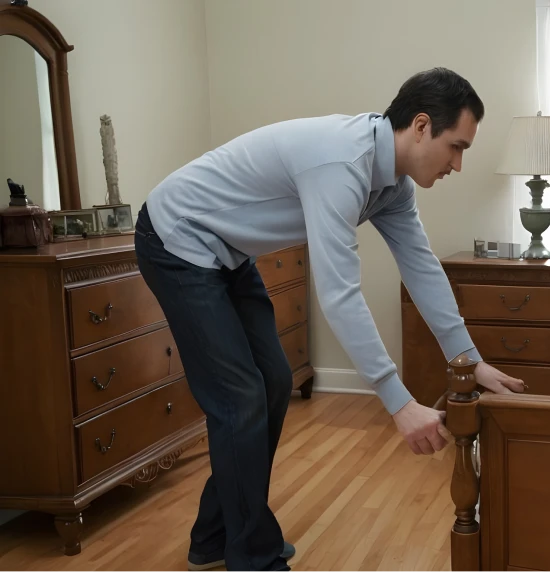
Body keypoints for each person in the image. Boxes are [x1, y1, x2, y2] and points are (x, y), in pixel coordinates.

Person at [133, 67, 525, 572]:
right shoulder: (343, 164)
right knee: (239, 398)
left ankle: (215, 535)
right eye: (457, 146)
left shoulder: (393, 186)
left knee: (273, 383)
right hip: (177, 240)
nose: (459, 163)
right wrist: (397, 401)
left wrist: (468, 359)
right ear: (422, 125)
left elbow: (422, 269)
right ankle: (251, 557)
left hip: (227, 253)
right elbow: (339, 295)